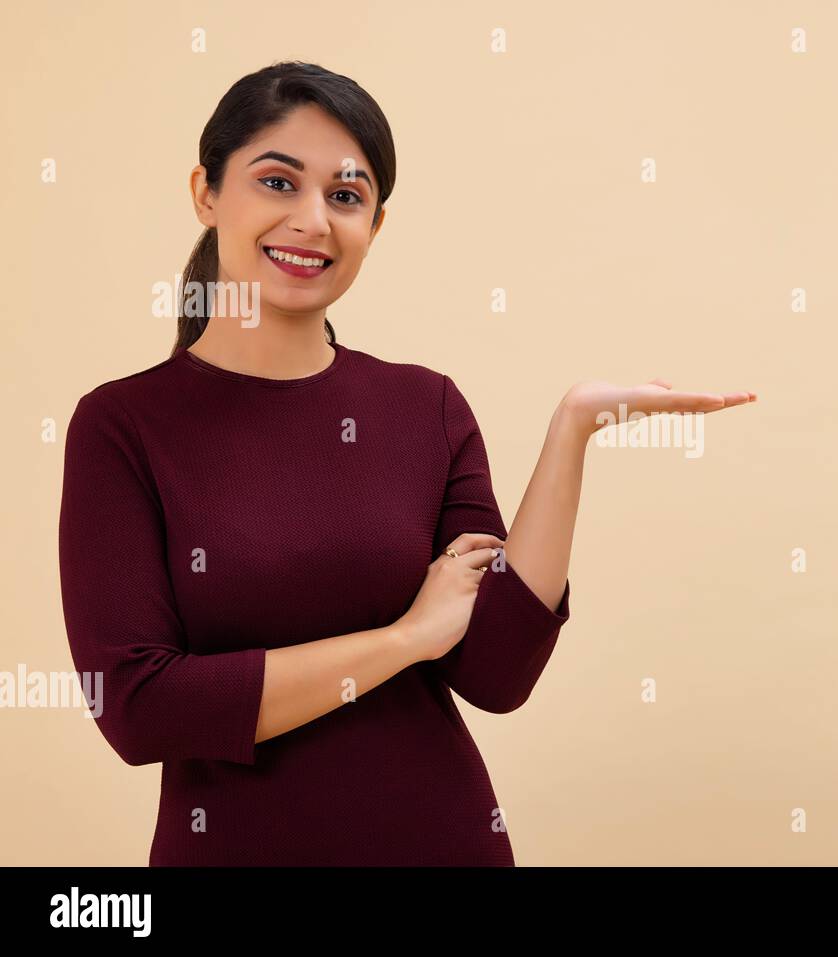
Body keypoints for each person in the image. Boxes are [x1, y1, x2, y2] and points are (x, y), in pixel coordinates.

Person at [57, 60, 756, 865]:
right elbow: (141, 708)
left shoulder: (425, 408)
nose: (312, 220)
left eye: (346, 196)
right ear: (207, 193)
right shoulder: (123, 426)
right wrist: (403, 639)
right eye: (278, 182)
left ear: (375, 226)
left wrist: (572, 431)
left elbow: (497, 672)